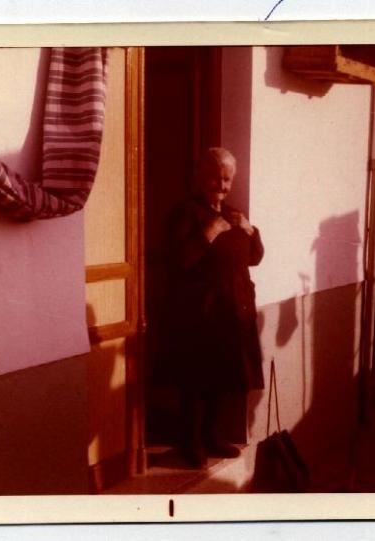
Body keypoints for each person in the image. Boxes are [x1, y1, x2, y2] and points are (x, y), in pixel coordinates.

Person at [164, 147, 265, 468]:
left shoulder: (234, 214)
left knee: (222, 376)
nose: (221, 185)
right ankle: (191, 443)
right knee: (196, 378)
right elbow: (179, 259)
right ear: (200, 177)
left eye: (227, 179)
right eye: (215, 178)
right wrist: (208, 233)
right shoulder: (186, 212)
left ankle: (211, 436)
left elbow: (254, 257)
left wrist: (250, 230)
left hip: (232, 309)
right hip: (201, 310)